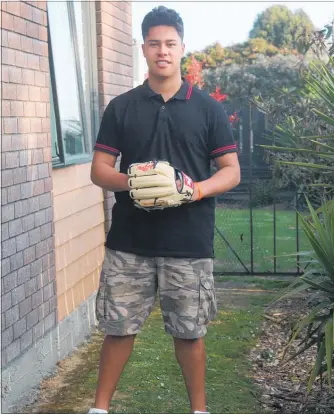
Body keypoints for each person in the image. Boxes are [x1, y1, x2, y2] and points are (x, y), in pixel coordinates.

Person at [88, 6, 240, 414]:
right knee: (118, 329)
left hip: (188, 242)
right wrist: (133, 182)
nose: (162, 51)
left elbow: (231, 171)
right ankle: (99, 409)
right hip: (129, 242)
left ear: (182, 49)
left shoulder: (207, 109)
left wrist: (193, 190)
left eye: (170, 44)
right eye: (154, 43)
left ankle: (199, 410)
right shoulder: (122, 107)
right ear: (143, 48)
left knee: (190, 333)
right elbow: (99, 170)